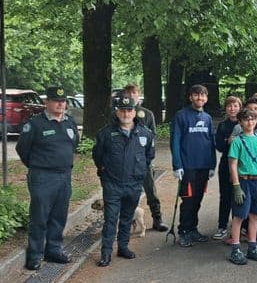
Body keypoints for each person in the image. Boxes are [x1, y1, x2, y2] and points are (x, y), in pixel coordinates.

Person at [16, 86, 80, 271]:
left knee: (59, 216)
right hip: (42, 176)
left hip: (64, 175)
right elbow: (22, 149)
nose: (60, 104)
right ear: (47, 102)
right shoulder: (35, 124)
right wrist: (38, 166)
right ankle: (35, 255)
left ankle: (53, 250)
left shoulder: (70, 122)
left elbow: (74, 143)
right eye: (56, 100)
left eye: (63, 101)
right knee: (40, 216)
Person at [92, 96, 155, 266]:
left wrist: (139, 172)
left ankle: (123, 247)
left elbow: (149, 156)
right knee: (111, 219)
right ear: (117, 112)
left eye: (129, 110)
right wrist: (104, 172)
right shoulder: (106, 133)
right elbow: (98, 156)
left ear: (134, 112)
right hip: (113, 183)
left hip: (134, 184)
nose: (126, 113)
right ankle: (106, 253)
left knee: (127, 218)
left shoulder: (145, 133)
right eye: (122, 110)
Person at [170, 84, 216, 247]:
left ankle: (193, 228)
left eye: (203, 95)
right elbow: (175, 141)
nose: (200, 98)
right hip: (187, 166)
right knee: (188, 200)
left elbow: (211, 142)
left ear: (206, 98)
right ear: (190, 97)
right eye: (196, 95)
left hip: (203, 166)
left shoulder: (208, 118)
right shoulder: (181, 116)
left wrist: (212, 164)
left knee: (197, 199)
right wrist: (177, 165)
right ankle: (184, 231)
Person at [123, 84, 167, 232]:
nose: (131, 96)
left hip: (143, 160)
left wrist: (148, 158)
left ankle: (157, 218)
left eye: (134, 93)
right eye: (128, 93)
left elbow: (152, 136)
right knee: (128, 192)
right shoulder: (119, 113)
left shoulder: (147, 114)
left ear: (138, 94)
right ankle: (128, 220)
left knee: (150, 190)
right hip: (126, 161)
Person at [227, 108, 257, 265]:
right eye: (246, 119)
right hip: (243, 181)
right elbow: (233, 164)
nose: (250, 122)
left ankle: (252, 245)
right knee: (239, 215)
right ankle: (236, 248)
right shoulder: (238, 141)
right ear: (240, 122)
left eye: (252, 119)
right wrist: (236, 186)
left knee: (255, 215)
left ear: (256, 121)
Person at [213, 95, 241, 241]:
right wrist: (228, 142)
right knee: (225, 195)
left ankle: (239, 227)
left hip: (241, 165)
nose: (232, 108)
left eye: (235, 105)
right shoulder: (223, 126)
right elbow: (218, 145)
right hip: (226, 163)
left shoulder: (244, 124)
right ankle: (222, 225)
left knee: (239, 196)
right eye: (230, 106)